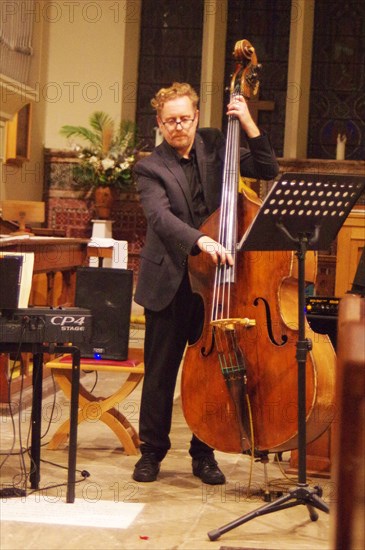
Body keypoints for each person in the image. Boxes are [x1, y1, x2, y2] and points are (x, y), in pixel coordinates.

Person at [132, 82, 279, 484]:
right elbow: (161, 219)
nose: (178, 126)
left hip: (215, 284)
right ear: (159, 124)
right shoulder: (150, 168)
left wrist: (248, 122)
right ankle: (151, 452)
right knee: (160, 373)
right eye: (170, 121)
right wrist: (199, 238)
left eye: (185, 118)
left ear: (196, 117)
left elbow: (268, 170)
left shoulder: (218, 146)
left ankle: (204, 452)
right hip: (171, 281)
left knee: (209, 370)